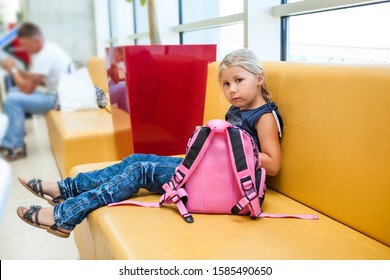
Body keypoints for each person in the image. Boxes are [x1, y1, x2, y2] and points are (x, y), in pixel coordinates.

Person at [16, 48, 283, 238]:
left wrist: (230, 153)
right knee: (136, 159)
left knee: (138, 171)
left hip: (230, 185)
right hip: (211, 173)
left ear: (259, 78)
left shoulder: (264, 117)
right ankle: (66, 188)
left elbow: (272, 165)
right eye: (226, 84)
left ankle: (63, 217)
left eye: (239, 81)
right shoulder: (238, 110)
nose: (232, 90)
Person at [0, 22, 73, 161]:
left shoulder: (45, 55)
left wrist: (13, 70)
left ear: (37, 41)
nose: (25, 50)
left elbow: (27, 89)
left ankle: (16, 147)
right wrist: (14, 68)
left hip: (59, 99)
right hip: (56, 93)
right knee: (14, 91)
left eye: (26, 45)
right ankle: (15, 133)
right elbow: (32, 78)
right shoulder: (49, 49)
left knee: (12, 99)